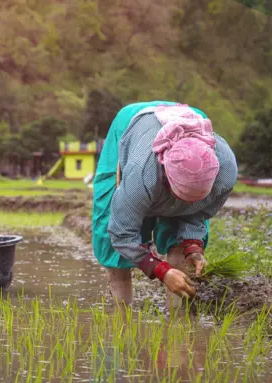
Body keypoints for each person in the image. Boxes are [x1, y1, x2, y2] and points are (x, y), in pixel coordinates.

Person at [92, 101, 238, 306]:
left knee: (178, 242)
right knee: (114, 248)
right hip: (132, 125)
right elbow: (121, 233)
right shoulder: (142, 174)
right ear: (167, 180)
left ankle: (177, 315)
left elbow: (200, 212)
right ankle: (121, 314)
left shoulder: (226, 171)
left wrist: (192, 246)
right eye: (181, 198)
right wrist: (161, 270)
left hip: (189, 117)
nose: (181, 206)